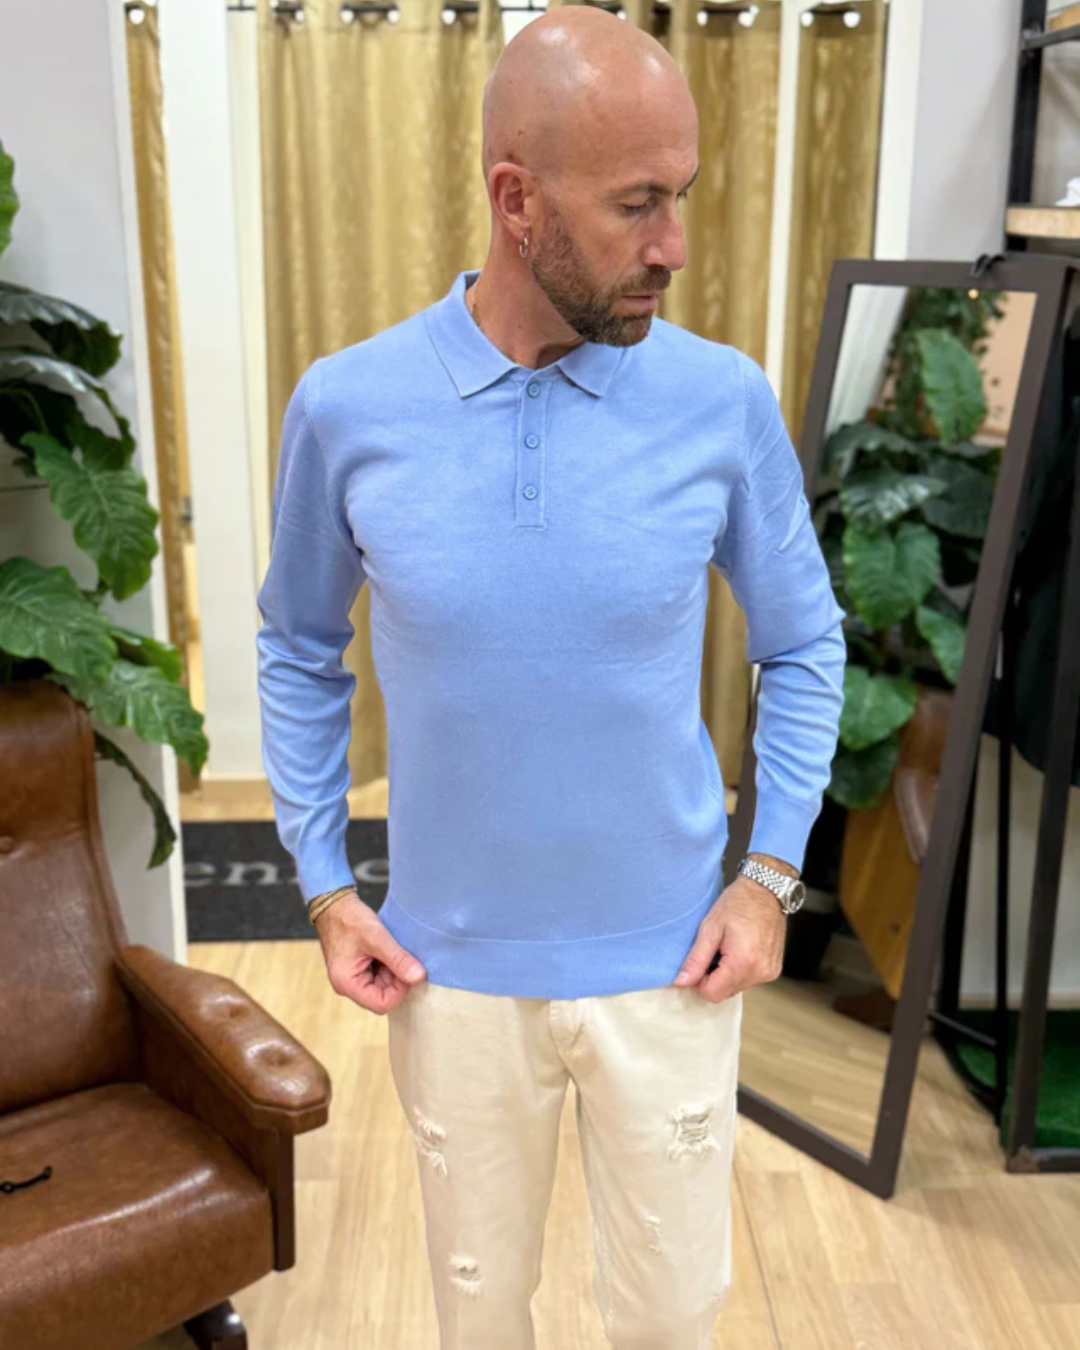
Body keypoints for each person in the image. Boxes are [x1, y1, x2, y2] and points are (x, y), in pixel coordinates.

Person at [255, 7, 846, 1347]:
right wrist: (324, 881)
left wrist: (770, 876)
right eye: (638, 204)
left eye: (683, 196)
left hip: (675, 968)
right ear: (516, 201)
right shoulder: (348, 406)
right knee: (481, 1321)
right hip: (450, 971)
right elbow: (296, 641)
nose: (674, 246)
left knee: (670, 1324)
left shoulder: (721, 401)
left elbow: (804, 642)